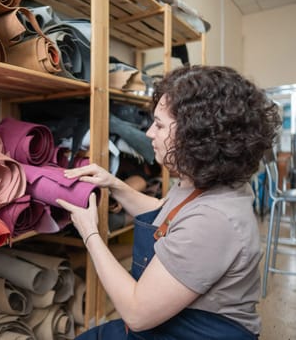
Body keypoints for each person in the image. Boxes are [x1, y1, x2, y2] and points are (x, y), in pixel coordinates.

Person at [56, 65, 281, 339]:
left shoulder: (213, 220)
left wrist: (90, 233)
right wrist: (114, 185)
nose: (149, 133)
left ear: (196, 137)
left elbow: (137, 313)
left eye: (160, 125)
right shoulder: (204, 181)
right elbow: (168, 215)